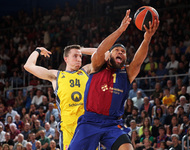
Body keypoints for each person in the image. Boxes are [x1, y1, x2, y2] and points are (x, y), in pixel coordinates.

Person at [69, 9, 159, 150]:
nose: (121, 53)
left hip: (112, 124)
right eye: (117, 50)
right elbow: (100, 50)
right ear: (109, 55)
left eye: (123, 52)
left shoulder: (127, 73)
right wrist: (120, 30)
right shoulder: (97, 65)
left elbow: (138, 61)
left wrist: (147, 38)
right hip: (90, 122)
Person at [24, 41, 97, 148]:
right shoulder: (56, 75)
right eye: (75, 56)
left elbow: (105, 55)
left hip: (89, 125)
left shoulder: (86, 70)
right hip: (69, 128)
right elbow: (28, 66)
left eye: (80, 56)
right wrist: (38, 50)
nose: (79, 59)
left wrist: (80, 49)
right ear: (66, 59)